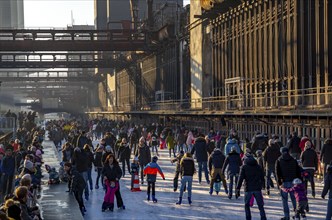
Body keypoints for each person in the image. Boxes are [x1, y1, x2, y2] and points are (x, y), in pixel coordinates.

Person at [235, 154, 266, 220]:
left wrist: (238, 188)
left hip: (248, 188)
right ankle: (263, 218)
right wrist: (263, 185)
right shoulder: (258, 167)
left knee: (247, 205)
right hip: (257, 188)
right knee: (260, 206)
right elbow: (262, 177)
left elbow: (240, 178)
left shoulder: (244, 167)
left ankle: (248, 218)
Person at [276, 147, 301, 220]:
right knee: (294, 199)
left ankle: (287, 216)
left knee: (284, 200)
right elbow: (298, 171)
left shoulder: (279, 160)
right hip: (293, 182)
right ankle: (297, 215)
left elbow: (277, 173)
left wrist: (279, 183)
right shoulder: (293, 160)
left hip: (284, 182)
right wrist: (299, 181)